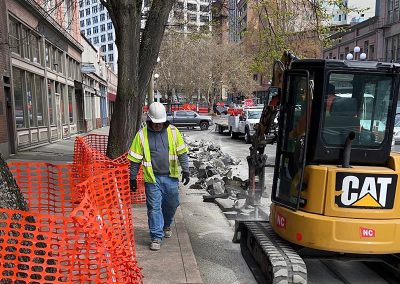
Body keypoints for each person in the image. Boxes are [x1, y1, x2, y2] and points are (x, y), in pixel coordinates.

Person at [127, 102, 190, 251]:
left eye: (160, 123)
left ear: (165, 121)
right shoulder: (141, 135)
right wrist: (132, 177)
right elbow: (135, 159)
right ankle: (156, 236)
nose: (157, 126)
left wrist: (186, 170)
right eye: (154, 123)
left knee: (172, 204)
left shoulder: (174, 132)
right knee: (154, 208)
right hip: (152, 179)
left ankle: (166, 224)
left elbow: (182, 152)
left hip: (171, 177)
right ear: (149, 120)